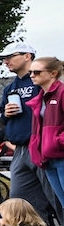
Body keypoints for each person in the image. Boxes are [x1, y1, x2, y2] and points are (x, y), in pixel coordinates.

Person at [0, 42, 61, 226]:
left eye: (10, 56)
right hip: (21, 150)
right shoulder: (10, 88)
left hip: (44, 146)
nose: (6, 61)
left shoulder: (43, 83)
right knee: (21, 201)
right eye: (3, 59)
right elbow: (3, 118)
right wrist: (6, 113)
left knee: (56, 197)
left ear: (27, 56)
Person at [27, 56, 64, 212]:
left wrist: (57, 142)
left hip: (61, 155)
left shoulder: (62, 93)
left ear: (53, 73)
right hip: (47, 158)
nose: (32, 75)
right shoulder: (40, 99)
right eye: (30, 72)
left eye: (37, 72)